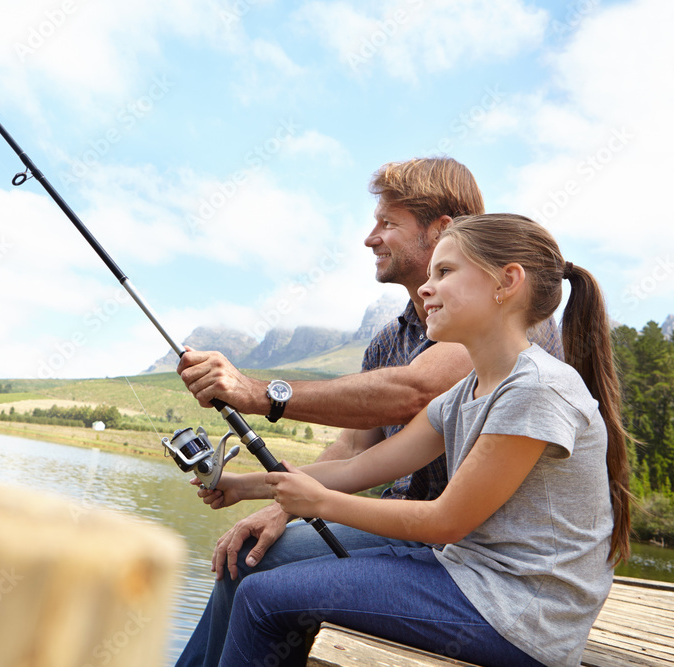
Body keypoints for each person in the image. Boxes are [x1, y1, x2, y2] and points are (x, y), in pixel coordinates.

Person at [174, 158, 562, 666]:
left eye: (388, 223)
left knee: (259, 581)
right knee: (244, 561)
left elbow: (414, 392)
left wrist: (258, 393)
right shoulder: (391, 339)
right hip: (400, 530)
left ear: (441, 228)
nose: (369, 238)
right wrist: (269, 498)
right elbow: (356, 451)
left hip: (457, 552)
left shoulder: (511, 331)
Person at [212, 213, 631, 666]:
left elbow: (445, 523)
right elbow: (356, 468)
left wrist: (318, 503)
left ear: (507, 282)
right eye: (430, 274)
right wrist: (241, 485)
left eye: (445, 272)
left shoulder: (537, 389)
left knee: (262, 599)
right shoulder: (463, 395)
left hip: (521, 615)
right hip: (467, 579)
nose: (426, 289)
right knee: (259, 580)